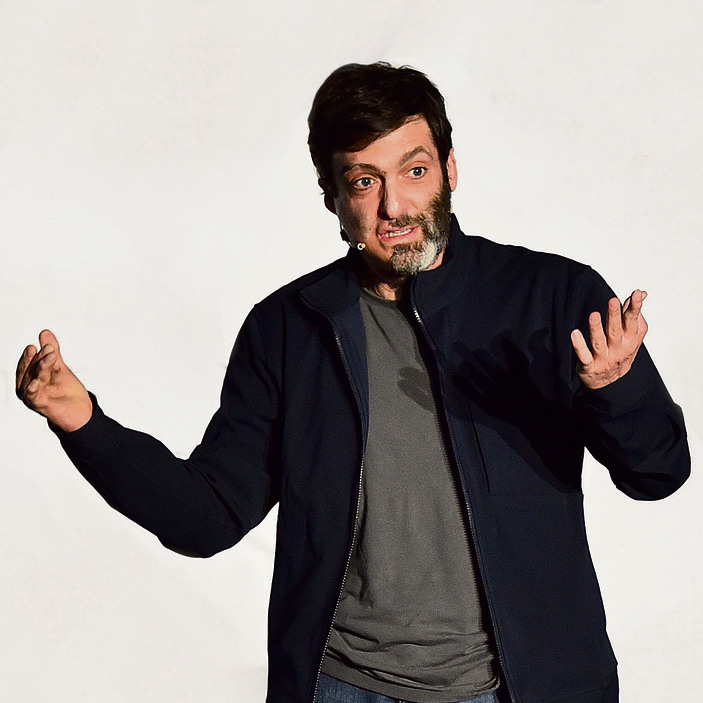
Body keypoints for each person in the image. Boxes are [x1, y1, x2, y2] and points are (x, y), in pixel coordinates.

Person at [16, 63, 689, 703]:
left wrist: (615, 388)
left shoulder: (550, 297)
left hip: (518, 686)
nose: (394, 205)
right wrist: (85, 425)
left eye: (415, 171)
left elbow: (658, 472)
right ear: (333, 199)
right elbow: (207, 516)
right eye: (364, 181)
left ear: (450, 170)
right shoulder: (289, 329)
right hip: (341, 685)